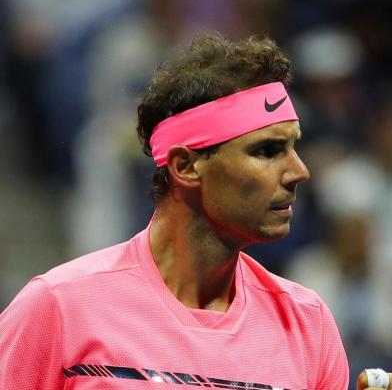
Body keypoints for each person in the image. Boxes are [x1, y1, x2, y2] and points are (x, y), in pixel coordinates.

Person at [0, 32, 350, 389]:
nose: (298, 171)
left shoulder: (308, 323)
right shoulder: (59, 306)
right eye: (267, 151)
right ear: (185, 166)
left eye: (294, 147)